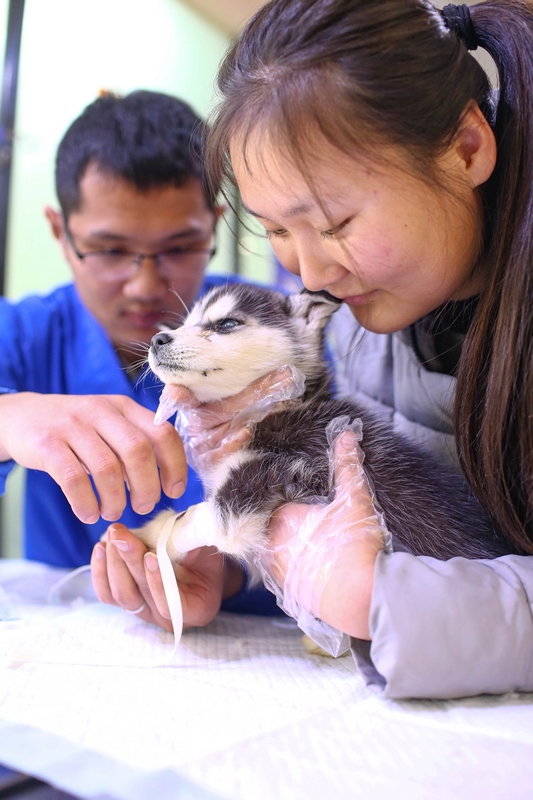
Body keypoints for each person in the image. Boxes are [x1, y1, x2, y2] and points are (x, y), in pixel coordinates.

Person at [98, 0, 533, 699]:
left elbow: (391, 588)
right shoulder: (361, 319)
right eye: (275, 231)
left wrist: (378, 603)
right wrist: (248, 564)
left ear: (466, 149)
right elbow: (372, 525)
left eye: (332, 223)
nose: (309, 273)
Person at [0, 90, 257, 626]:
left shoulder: (267, 329)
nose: (144, 285)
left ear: (214, 224)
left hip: (251, 632)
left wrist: (233, 571)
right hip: (66, 635)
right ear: (60, 233)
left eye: (179, 248)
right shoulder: (25, 333)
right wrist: (9, 417)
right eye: (112, 251)